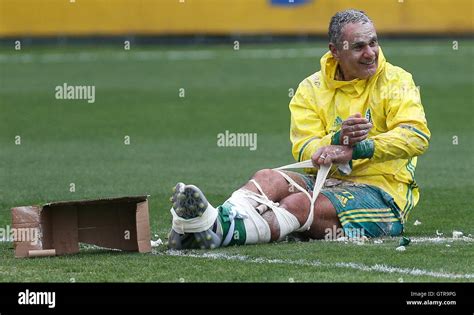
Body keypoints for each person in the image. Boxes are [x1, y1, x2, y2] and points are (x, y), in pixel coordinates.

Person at [167, 9, 430, 250]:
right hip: (326, 181)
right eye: (359, 46)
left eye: (373, 42)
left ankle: (206, 230)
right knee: (267, 177)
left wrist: (358, 148)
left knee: (297, 204)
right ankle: (208, 226)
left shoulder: (397, 80)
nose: (370, 53)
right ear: (335, 50)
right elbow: (304, 149)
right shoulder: (310, 88)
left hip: (381, 195)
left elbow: (416, 136)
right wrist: (336, 140)